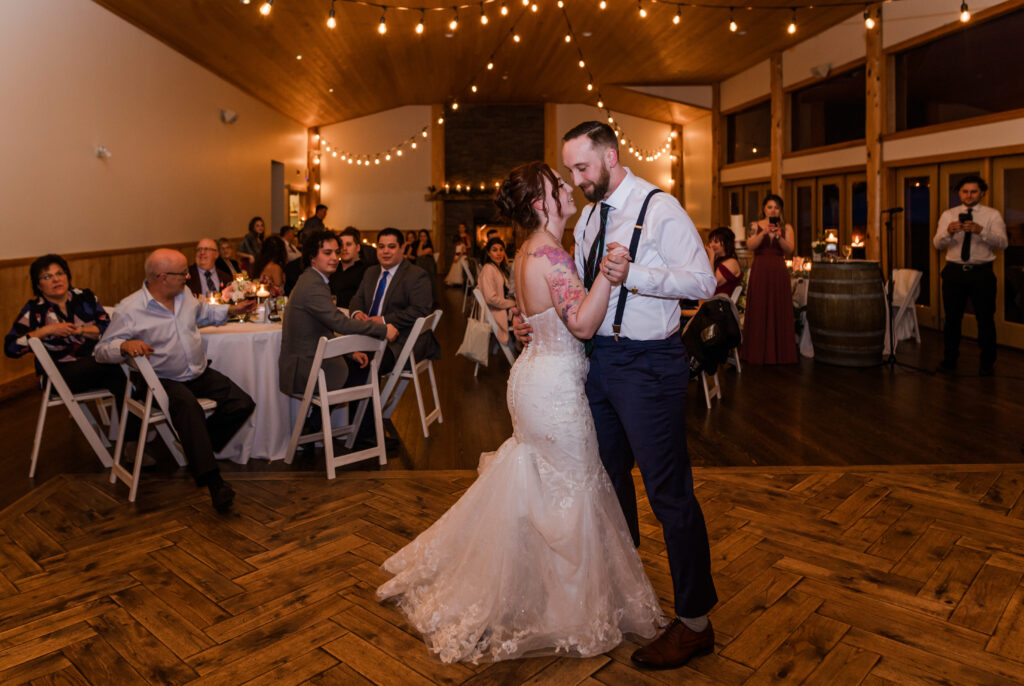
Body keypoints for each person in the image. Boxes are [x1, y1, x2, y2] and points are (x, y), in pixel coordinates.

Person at [377, 161, 663, 663]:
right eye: (558, 185)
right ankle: (572, 612)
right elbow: (583, 323)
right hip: (553, 389)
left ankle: (544, 592)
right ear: (540, 204)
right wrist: (607, 276)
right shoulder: (551, 254)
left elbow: (534, 316)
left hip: (533, 379)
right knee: (573, 491)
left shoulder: (525, 252)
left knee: (550, 490)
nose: (568, 189)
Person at [515, 122, 719, 669]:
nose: (577, 180)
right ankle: (625, 595)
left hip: (648, 366)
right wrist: (536, 320)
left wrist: (636, 273)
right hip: (596, 364)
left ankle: (696, 621)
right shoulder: (586, 221)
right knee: (606, 486)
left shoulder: (660, 208)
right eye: (571, 171)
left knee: (668, 492)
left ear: (610, 156)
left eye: (583, 168)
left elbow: (703, 282)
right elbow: (576, 296)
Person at [94, 249, 257, 513]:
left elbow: (203, 313)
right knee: (187, 406)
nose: (188, 275)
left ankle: (196, 444)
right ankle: (215, 484)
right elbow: (101, 351)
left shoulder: (185, 296)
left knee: (242, 402)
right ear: (161, 277)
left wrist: (233, 308)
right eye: (182, 272)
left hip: (197, 372)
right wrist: (124, 345)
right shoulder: (130, 309)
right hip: (160, 379)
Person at [279, 229, 397, 399]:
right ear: (312, 257)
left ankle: (317, 424)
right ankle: (320, 424)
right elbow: (341, 323)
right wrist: (383, 330)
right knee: (368, 372)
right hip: (306, 369)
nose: (335, 258)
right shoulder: (312, 285)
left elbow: (320, 330)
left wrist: (350, 353)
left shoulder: (313, 279)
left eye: (336, 252)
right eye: (327, 253)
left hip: (312, 360)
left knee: (366, 367)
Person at [5, 254, 126, 413]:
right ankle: (136, 430)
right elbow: (11, 348)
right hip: (59, 375)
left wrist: (81, 330)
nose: (56, 279)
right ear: (38, 285)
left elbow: (109, 328)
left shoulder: (85, 298)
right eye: (47, 276)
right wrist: (47, 330)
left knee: (123, 377)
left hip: (94, 366)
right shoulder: (34, 310)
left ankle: (130, 432)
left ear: (67, 276)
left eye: (60, 273)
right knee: (115, 368)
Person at [934, 175, 1007, 376]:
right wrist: (948, 232)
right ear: (959, 193)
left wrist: (981, 231)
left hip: (981, 273)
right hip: (954, 272)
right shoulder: (949, 214)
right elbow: (937, 244)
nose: (969, 195)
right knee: (952, 319)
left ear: (982, 193)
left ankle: (987, 362)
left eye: (973, 191)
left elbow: (1003, 243)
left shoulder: (992, 215)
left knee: (985, 318)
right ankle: (949, 360)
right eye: (965, 191)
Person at [349, 228, 439, 373]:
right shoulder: (371, 272)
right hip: (368, 334)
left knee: (363, 362)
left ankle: (368, 396)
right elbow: (357, 298)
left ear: (402, 248)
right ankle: (363, 395)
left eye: (391, 247)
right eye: (381, 246)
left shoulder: (417, 275)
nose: (385, 251)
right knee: (342, 356)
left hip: (399, 340)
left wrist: (384, 320)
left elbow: (420, 311)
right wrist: (357, 313)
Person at [741, 194, 797, 365]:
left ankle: (781, 353)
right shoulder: (754, 225)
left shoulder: (787, 227)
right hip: (761, 269)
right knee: (759, 304)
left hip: (778, 269)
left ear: (780, 210)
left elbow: (790, 249)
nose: (773, 210)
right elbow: (750, 245)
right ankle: (756, 352)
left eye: (776, 207)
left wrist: (779, 236)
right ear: (764, 209)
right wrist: (764, 232)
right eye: (770, 207)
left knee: (779, 305)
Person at [477, 236, 516, 345]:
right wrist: (512, 303)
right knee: (528, 316)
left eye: (501, 249)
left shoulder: (497, 268)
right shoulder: (488, 269)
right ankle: (521, 348)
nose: (499, 253)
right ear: (488, 253)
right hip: (495, 312)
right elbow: (491, 299)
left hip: (499, 308)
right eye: (494, 250)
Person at [329, 227, 368, 308]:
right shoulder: (332, 267)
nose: (344, 248)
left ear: (358, 248)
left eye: (348, 244)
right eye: (341, 245)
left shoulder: (366, 271)